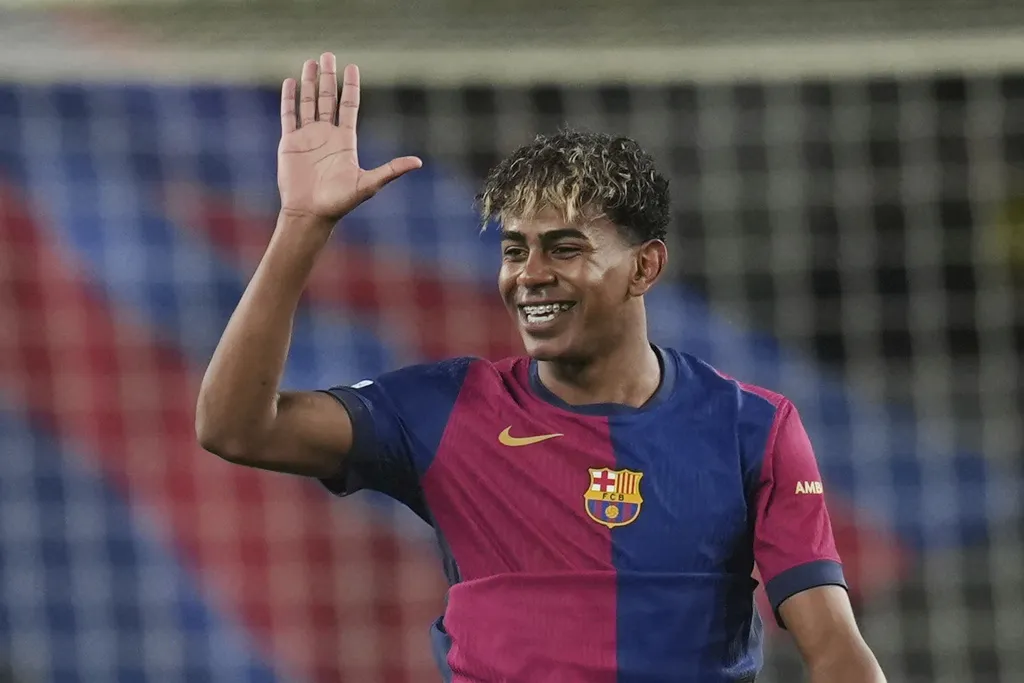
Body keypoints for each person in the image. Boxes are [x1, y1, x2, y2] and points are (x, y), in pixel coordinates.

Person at [196, 52, 886, 683]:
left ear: (644, 267)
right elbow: (235, 427)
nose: (529, 275)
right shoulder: (444, 408)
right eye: (513, 250)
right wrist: (302, 224)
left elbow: (834, 647)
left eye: (563, 248)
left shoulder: (752, 426)